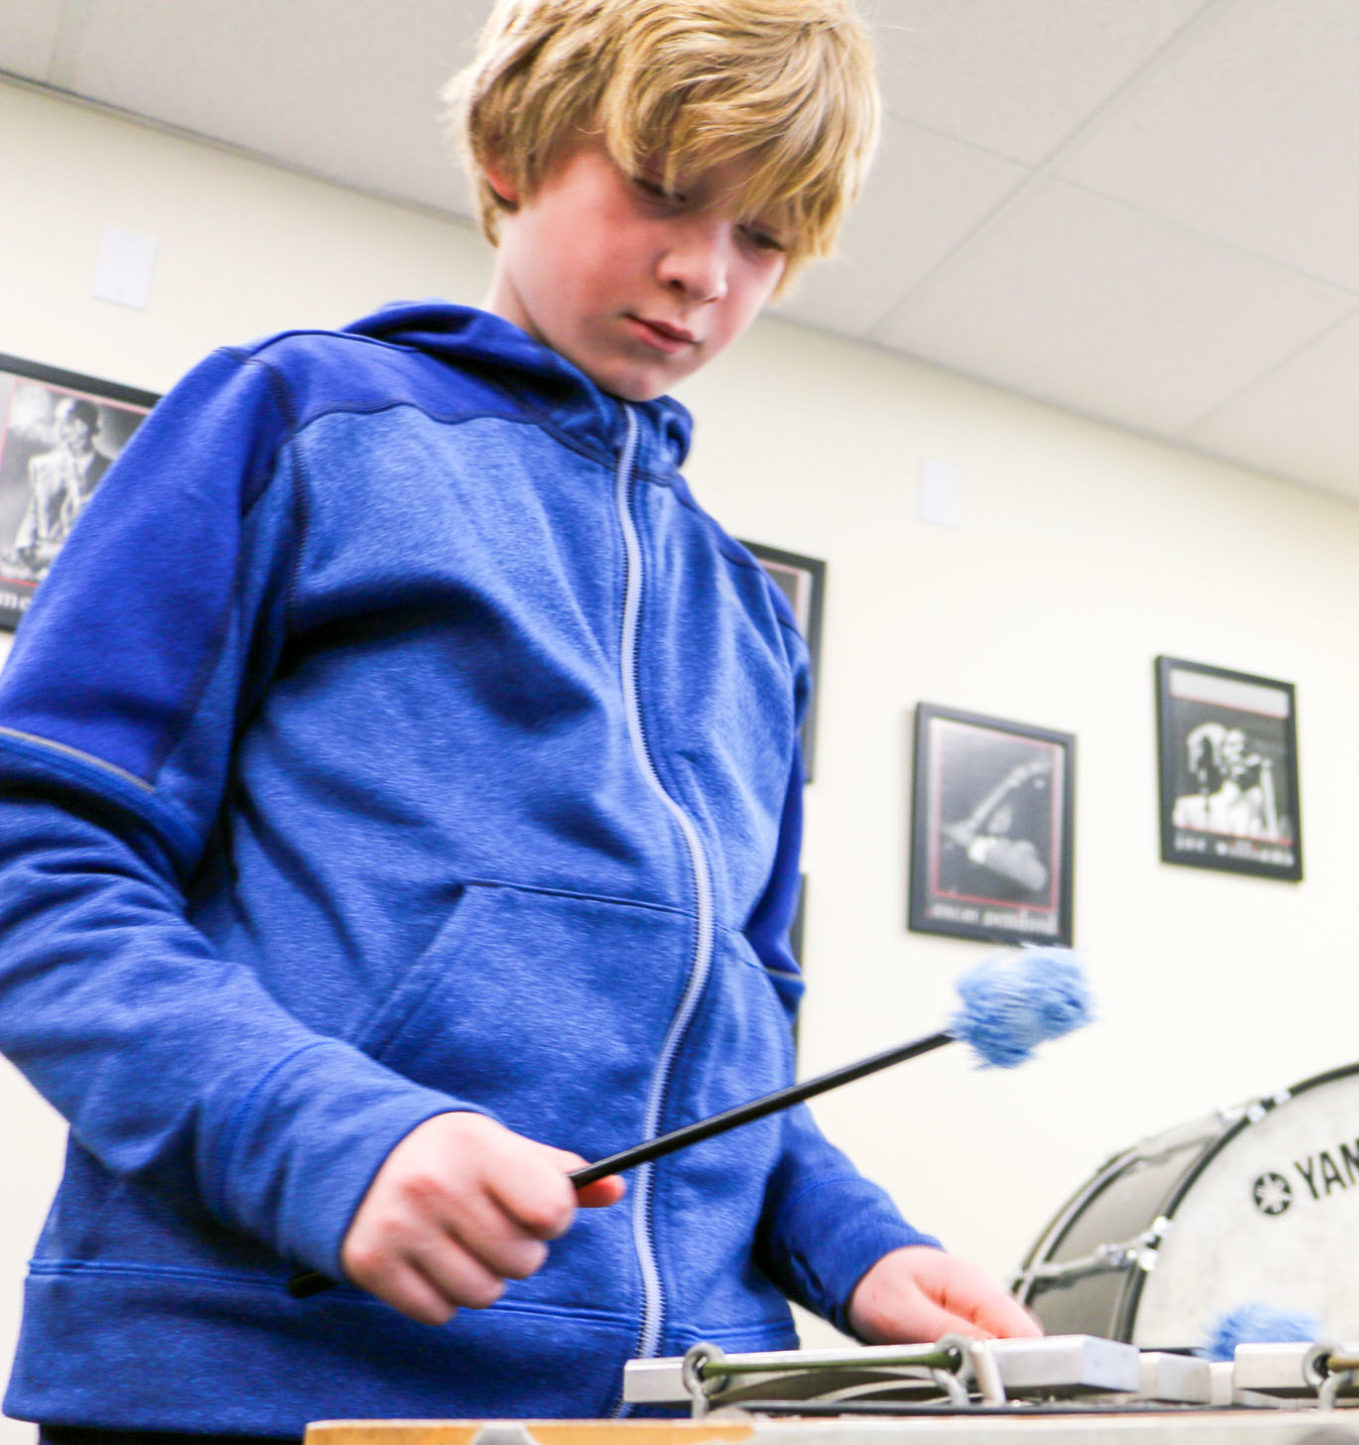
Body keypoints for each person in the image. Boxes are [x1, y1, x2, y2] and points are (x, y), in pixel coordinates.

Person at [0, 3, 1034, 1439]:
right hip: (263, 1388)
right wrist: (326, 1137)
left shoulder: (750, 623)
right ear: (510, 153)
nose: (703, 273)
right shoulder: (296, 420)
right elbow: (37, 862)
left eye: (765, 237)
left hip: (671, 1408)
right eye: (668, 192)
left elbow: (727, 1045)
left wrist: (856, 1244)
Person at [7, 395, 110, 577]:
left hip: (84, 572)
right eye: (56, 422)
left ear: (83, 427)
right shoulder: (42, 465)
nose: (58, 429)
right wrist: (23, 549)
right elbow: (33, 514)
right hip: (39, 569)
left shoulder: (111, 471)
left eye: (65, 422)